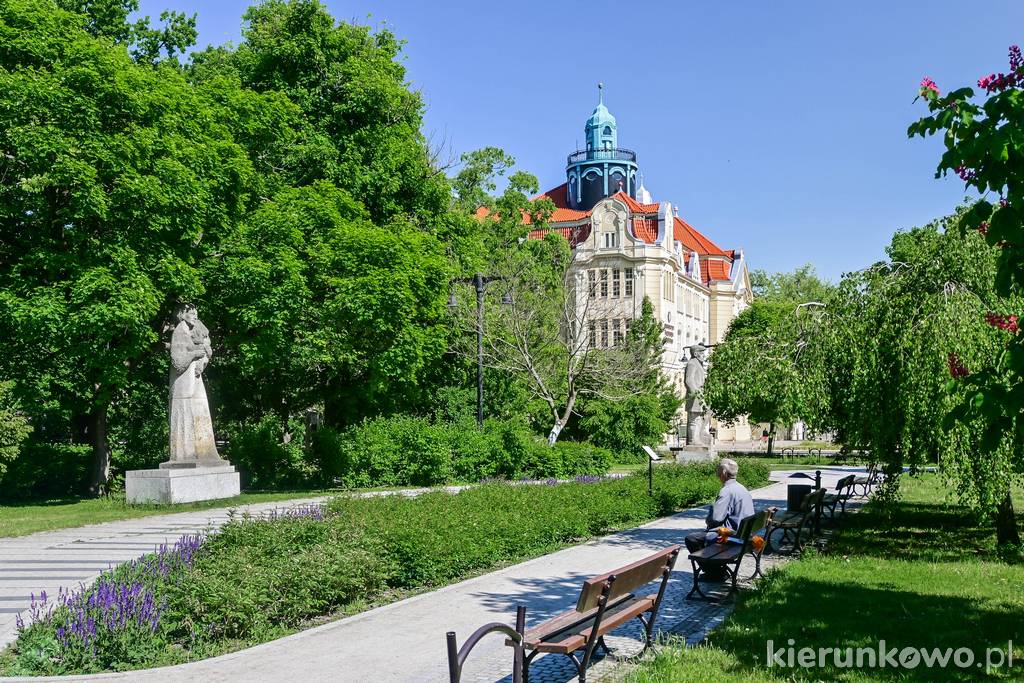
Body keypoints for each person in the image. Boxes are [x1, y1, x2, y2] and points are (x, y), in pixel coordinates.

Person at [685, 459, 755, 577]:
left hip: (733, 537)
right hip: (745, 535)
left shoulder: (726, 491)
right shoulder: (741, 488)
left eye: (718, 468)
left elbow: (715, 520)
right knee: (703, 535)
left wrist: (711, 512)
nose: (716, 471)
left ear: (723, 472)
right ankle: (717, 569)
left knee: (691, 539)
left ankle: (715, 573)